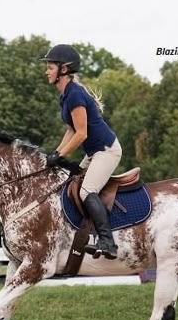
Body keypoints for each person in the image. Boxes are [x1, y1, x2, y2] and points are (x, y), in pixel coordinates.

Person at [41, 44, 122, 260]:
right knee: (70, 182)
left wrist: (60, 156)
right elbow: (71, 130)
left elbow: (82, 134)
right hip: (94, 153)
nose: (46, 71)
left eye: (50, 67)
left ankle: (108, 242)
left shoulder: (75, 95)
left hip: (107, 151)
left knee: (87, 191)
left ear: (64, 70)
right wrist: (55, 153)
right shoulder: (66, 95)